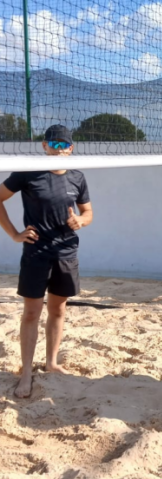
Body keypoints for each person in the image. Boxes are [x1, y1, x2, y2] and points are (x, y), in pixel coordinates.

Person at [0, 124, 93, 398]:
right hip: (36, 253)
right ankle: (26, 372)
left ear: (71, 148)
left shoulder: (77, 177)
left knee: (58, 310)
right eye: (54, 144)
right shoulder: (28, 172)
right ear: (44, 145)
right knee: (31, 313)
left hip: (66, 252)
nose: (59, 149)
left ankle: (51, 363)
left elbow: (88, 213)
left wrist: (81, 221)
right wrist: (15, 234)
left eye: (64, 145)